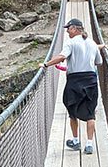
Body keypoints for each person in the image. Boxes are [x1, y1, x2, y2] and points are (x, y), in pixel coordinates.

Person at [42, 18, 103, 154]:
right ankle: (89, 144)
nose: (67, 31)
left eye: (68, 28)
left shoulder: (70, 43)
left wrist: (46, 64)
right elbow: (99, 62)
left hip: (75, 81)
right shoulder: (92, 43)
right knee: (90, 113)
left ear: (75, 28)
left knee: (72, 110)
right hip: (91, 80)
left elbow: (61, 57)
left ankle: (75, 141)